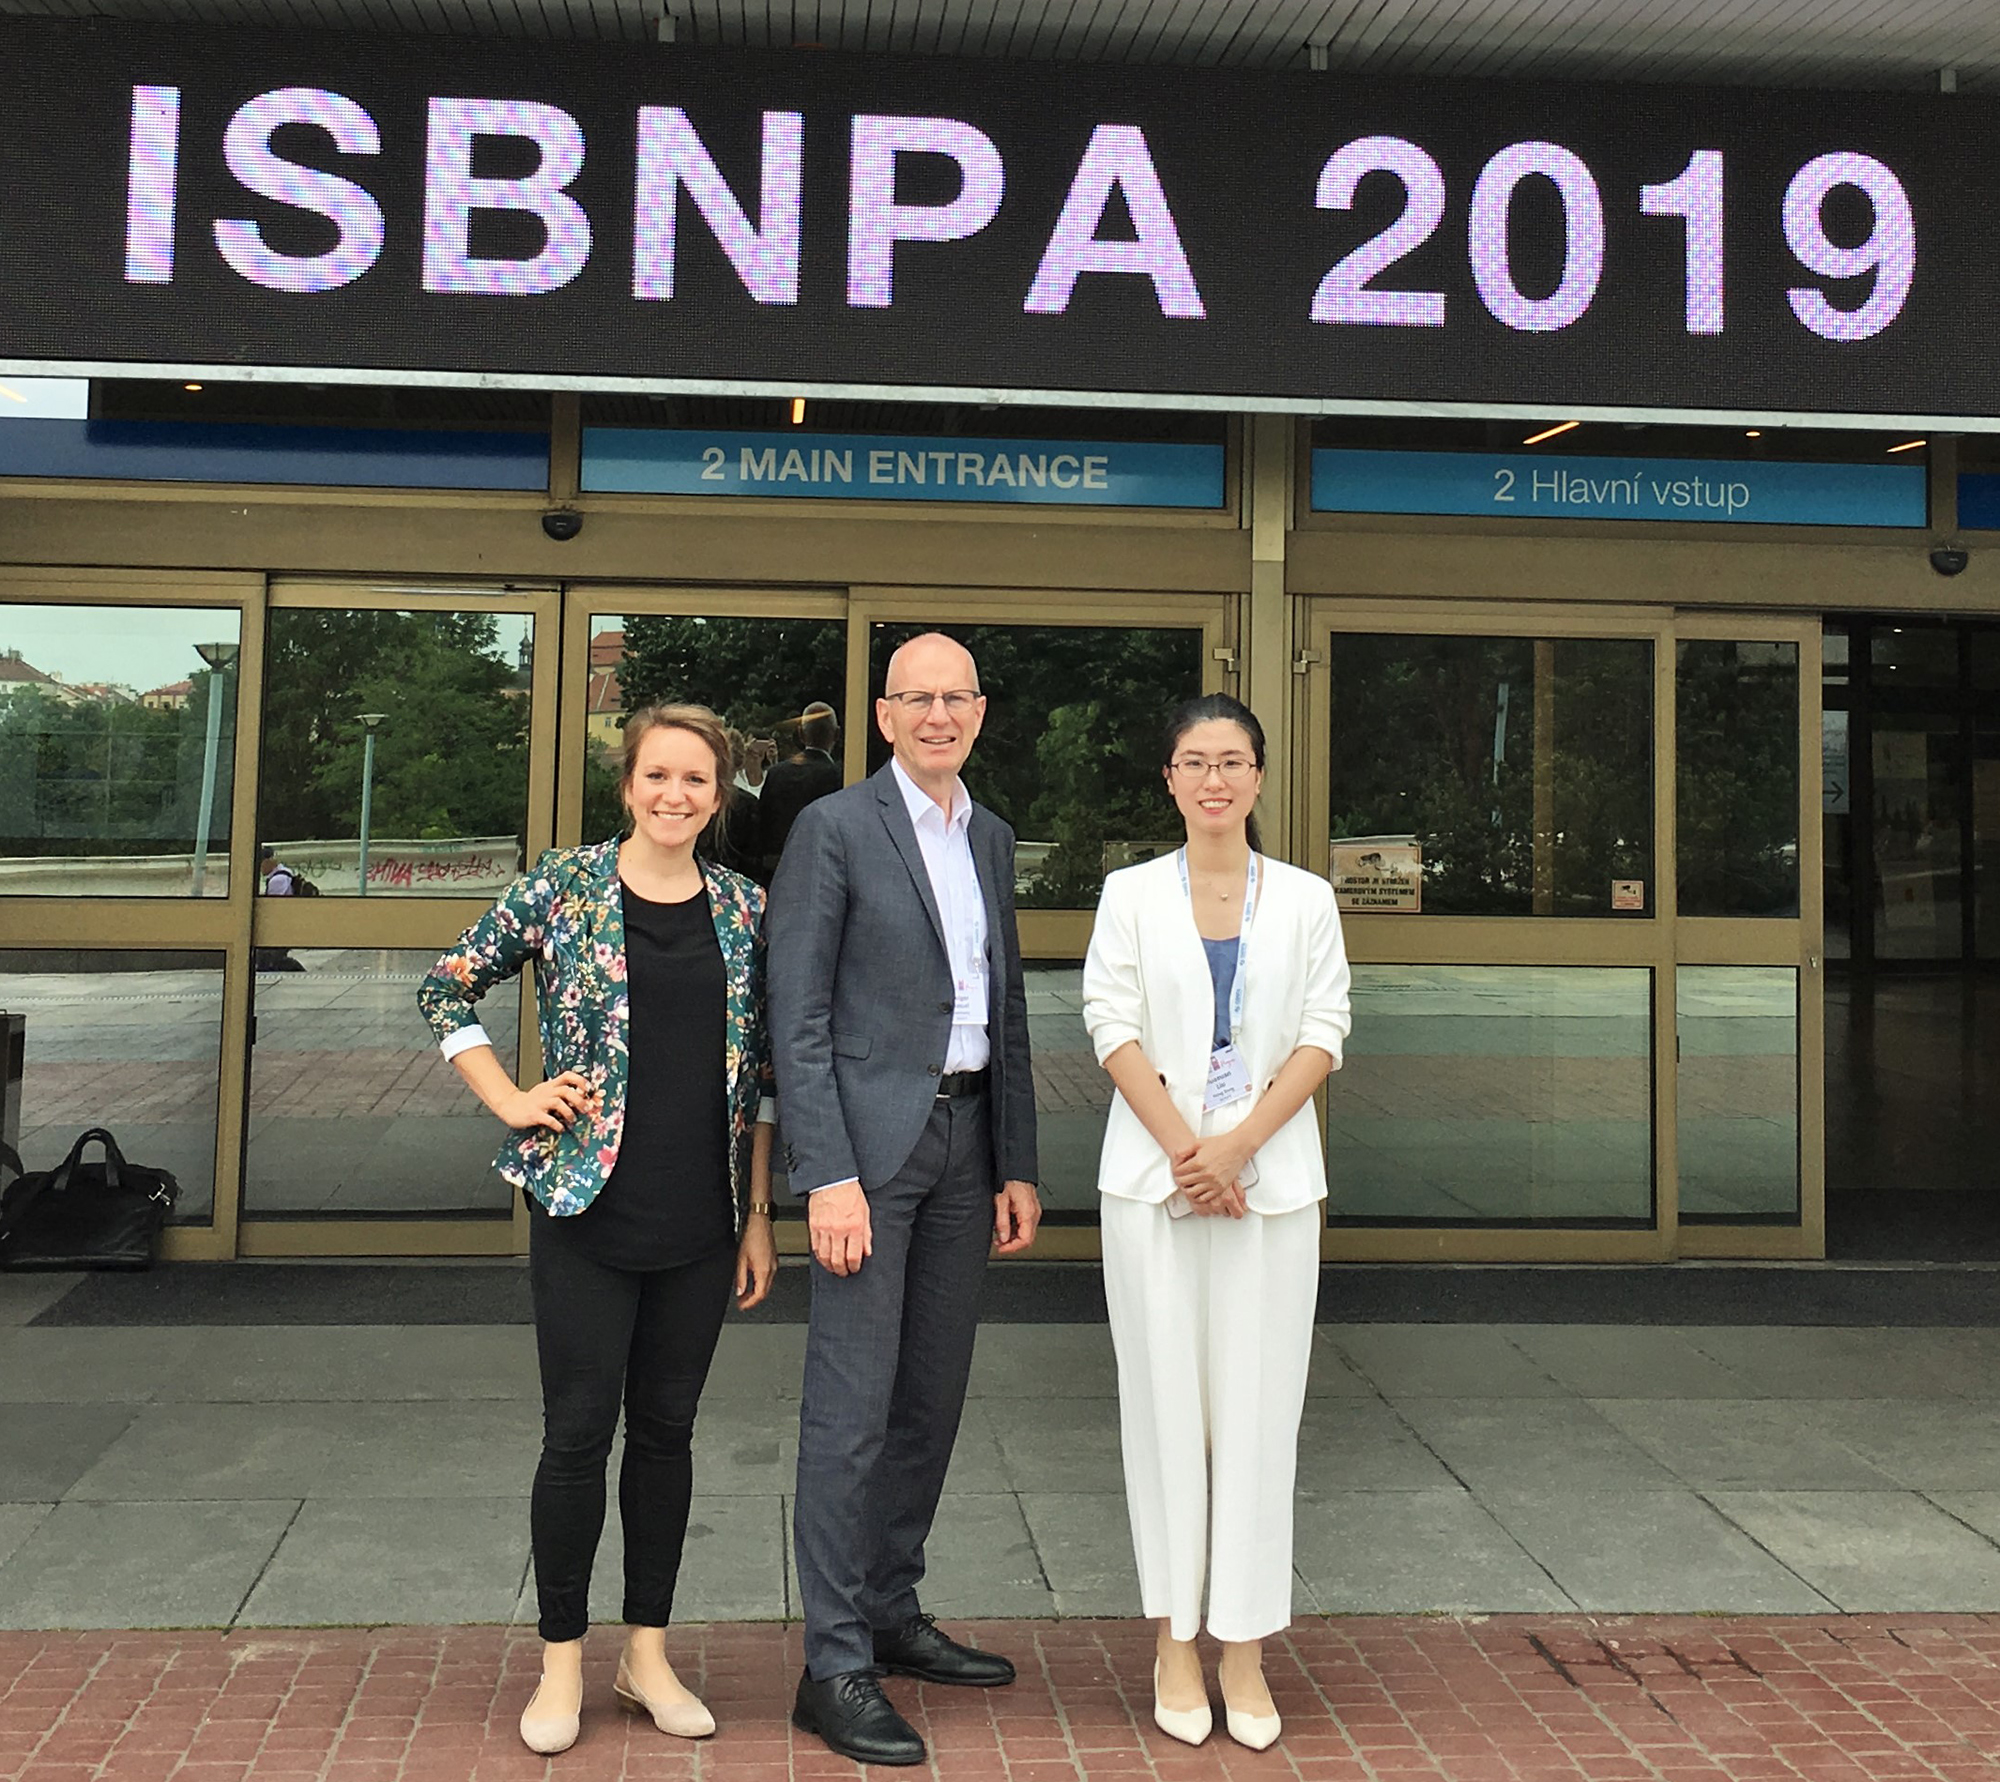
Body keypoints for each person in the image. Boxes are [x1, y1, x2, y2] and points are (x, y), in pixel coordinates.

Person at [417, 703, 779, 1758]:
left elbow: (760, 1078)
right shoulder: (563, 887)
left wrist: (758, 1216)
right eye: (658, 777)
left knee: (667, 1437)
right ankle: (562, 1661)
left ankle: (648, 1654)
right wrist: (508, 1096)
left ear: (719, 797)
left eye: (696, 782)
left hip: (702, 1219)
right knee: (576, 1436)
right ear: (628, 785)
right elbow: (446, 985)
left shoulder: (744, 910)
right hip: (584, 1208)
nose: (675, 796)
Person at [768, 633, 1041, 1767]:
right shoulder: (831, 830)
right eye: (915, 699)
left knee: (928, 1399)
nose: (937, 715)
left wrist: (1016, 1160)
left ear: (979, 714)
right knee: (850, 1414)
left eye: (955, 698)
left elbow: (1006, 1006)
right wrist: (825, 1174)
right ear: (881, 717)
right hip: (870, 1160)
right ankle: (831, 1665)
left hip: (966, 1142)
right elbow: (800, 1018)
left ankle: (889, 1611)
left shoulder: (988, 835)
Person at [1081, 693, 1351, 1753]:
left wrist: (1237, 1149)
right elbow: (1110, 1022)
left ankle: (1241, 1646)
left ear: (1258, 776)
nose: (1212, 780)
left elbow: (1323, 1029)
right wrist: (1187, 1154)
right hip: (1152, 1193)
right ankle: (1173, 1644)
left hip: (1270, 1194)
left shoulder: (1305, 899)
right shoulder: (1129, 894)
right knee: (1163, 1416)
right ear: (1168, 778)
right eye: (1193, 762)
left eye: (1231, 761)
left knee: (1253, 1416)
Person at [756, 700, 841, 879]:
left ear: (801, 734)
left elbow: (762, 822)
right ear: (836, 734)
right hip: (821, 871)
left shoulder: (776, 774)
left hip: (777, 870)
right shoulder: (839, 777)